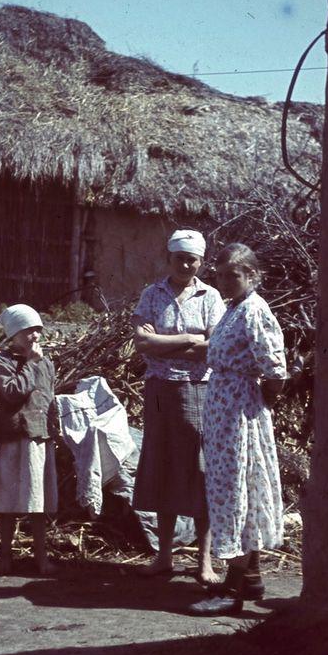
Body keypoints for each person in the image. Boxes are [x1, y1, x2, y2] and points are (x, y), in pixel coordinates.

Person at [190, 243, 287, 616]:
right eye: (220, 275)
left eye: (233, 275)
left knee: (236, 492)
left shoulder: (254, 310)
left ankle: (232, 590)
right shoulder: (234, 309)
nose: (225, 282)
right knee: (233, 488)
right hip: (224, 414)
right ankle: (252, 577)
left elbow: (275, 369)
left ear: (252, 275)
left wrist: (260, 401)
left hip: (239, 414)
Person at [132, 229, 227, 585]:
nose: (185, 265)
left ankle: (204, 560)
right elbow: (142, 343)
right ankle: (164, 556)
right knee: (164, 467)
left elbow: (213, 347)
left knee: (199, 470)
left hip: (198, 389)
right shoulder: (152, 294)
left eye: (192, 260)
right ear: (168, 258)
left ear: (201, 262)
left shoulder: (210, 296)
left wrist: (163, 343)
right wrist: (189, 338)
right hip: (160, 390)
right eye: (180, 258)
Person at [0, 303, 59, 576]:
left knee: (37, 502)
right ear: (14, 333)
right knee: (8, 501)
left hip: (38, 438)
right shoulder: (2, 362)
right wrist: (30, 363)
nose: (35, 336)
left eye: (38, 330)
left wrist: (54, 429)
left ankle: (41, 558)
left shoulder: (46, 362)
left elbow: (48, 397)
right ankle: (5, 556)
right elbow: (12, 392)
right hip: (14, 438)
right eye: (28, 330)